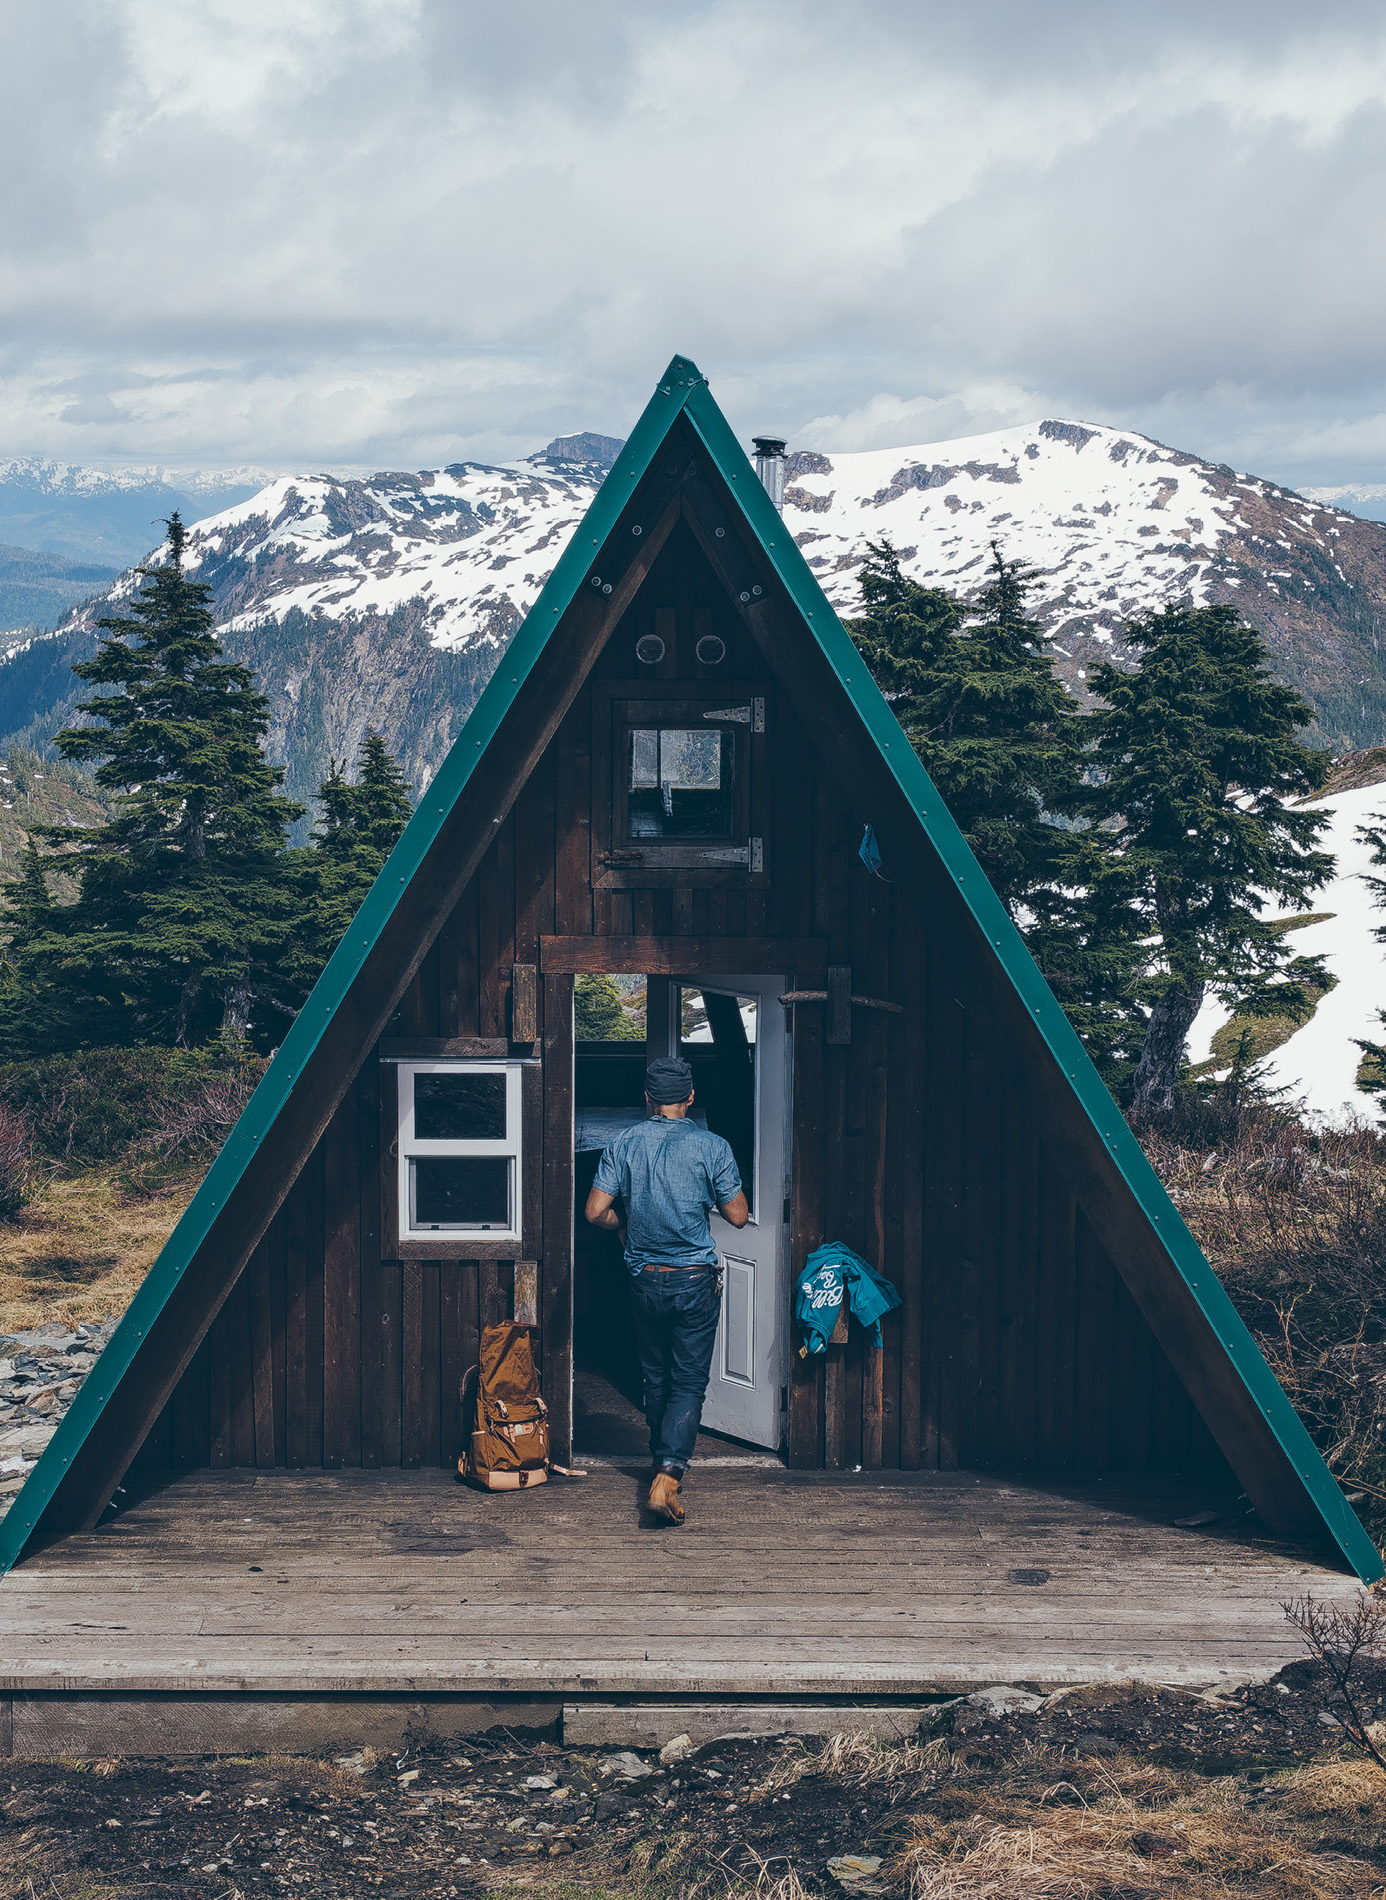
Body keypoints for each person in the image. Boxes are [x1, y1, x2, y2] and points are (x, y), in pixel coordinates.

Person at [585, 1054, 749, 1524]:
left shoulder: (624, 1143)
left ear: (648, 1098)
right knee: (688, 1382)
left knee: (655, 1378)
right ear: (691, 1097)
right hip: (694, 1279)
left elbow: (595, 1212)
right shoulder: (711, 1146)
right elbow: (738, 1215)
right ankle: (668, 1473)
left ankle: (662, 1458)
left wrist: (629, 1222)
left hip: (645, 1279)